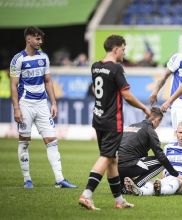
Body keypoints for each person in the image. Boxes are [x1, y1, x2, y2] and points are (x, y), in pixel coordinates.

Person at [78, 35, 151, 210]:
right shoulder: (116, 68)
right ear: (116, 48)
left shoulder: (96, 67)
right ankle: (86, 195)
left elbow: (98, 90)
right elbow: (126, 95)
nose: (124, 53)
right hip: (112, 120)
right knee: (106, 156)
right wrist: (144, 108)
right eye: (124, 49)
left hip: (98, 118)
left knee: (112, 160)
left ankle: (119, 201)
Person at [9, 26, 77, 189]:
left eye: (41, 38)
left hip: (42, 105)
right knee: (24, 142)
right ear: (28, 39)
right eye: (37, 38)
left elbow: (48, 81)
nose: (40, 41)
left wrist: (53, 103)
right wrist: (16, 108)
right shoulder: (18, 59)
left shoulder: (44, 58)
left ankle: (60, 180)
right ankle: (27, 179)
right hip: (25, 104)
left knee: (52, 141)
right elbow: (13, 85)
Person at [118, 107, 182, 193]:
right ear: (157, 120)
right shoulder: (149, 130)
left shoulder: (131, 126)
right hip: (129, 164)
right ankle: (137, 184)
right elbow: (160, 156)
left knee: (123, 190)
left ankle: (124, 187)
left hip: (116, 167)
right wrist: (176, 174)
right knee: (162, 162)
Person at [124, 121, 182, 196]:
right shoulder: (168, 147)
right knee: (153, 184)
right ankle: (139, 191)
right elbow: (165, 165)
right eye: (180, 132)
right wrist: (161, 179)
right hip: (168, 178)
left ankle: (159, 191)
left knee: (175, 181)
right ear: (176, 133)